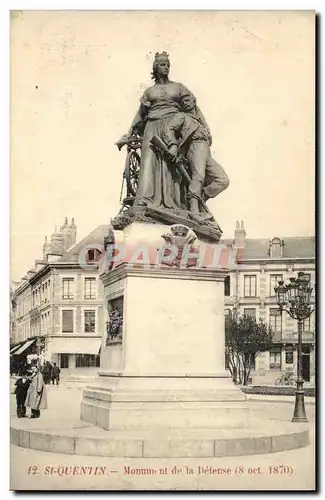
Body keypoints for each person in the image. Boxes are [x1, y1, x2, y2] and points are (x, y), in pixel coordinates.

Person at [116, 52, 208, 210]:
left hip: (172, 127)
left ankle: (173, 203)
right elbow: (140, 114)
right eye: (162, 64)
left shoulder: (178, 87)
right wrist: (129, 133)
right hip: (152, 127)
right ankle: (144, 199)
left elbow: (192, 106)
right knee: (148, 162)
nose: (166, 67)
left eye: (167, 65)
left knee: (170, 164)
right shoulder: (149, 92)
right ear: (155, 68)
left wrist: (199, 129)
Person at [162, 94, 229, 215]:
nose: (185, 103)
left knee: (223, 180)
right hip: (195, 146)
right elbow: (169, 129)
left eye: (188, 100)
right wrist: (172, 144)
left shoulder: (200, 121)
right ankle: (194, 208)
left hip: (206, 150)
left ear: (194, 102)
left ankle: (201, 197)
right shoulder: (182, 116)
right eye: (183, 102)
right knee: (198, 177)